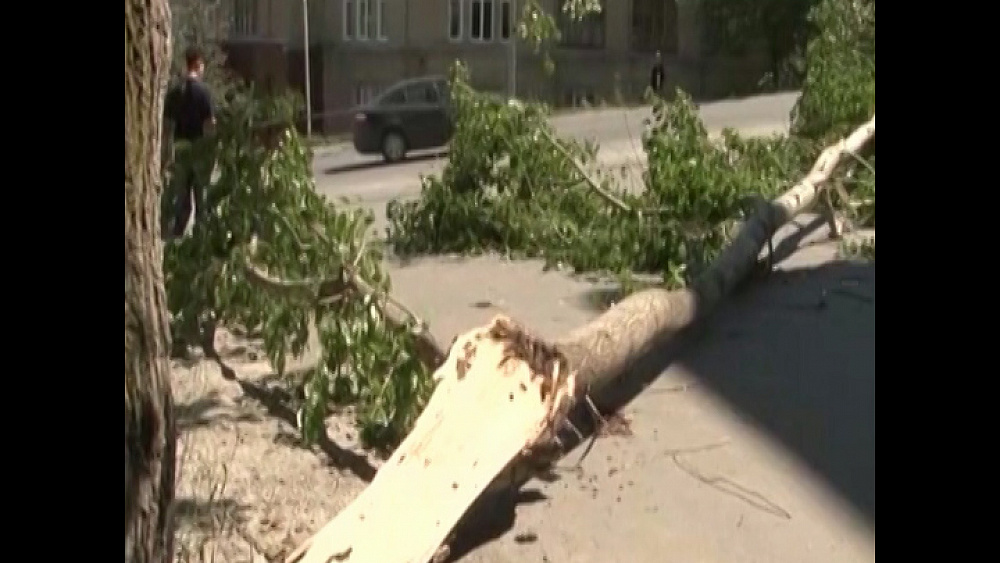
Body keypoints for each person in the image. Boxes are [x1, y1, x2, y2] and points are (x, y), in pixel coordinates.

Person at [164, 46, 215, 238]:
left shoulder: (175, 93)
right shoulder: (203, 93)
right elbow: (209, 124)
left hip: (180, 151)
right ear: (198, 64)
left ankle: (175, 237)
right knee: (202, 201)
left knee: (181, 201)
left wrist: (165, 154)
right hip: (199, 151)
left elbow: (167, 126)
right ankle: (201, 238)